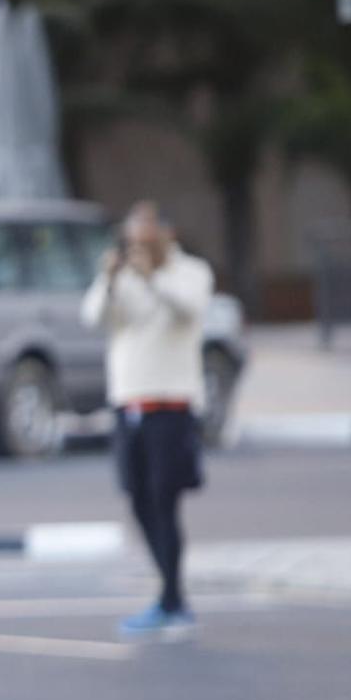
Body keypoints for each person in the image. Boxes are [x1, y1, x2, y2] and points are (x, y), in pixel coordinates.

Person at [80, 201, 213, 640]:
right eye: (133, 236)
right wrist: (112, 275)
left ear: (167, 235)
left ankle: (173, 599)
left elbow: (188, 309)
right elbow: (93, 317)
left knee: (165, 500)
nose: (139, 244)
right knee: (138, 499)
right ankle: (169, 593)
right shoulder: (124, 279)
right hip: (128, 403)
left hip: (170, 406)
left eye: (147, 236)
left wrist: (152, 274)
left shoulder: (190, 272)